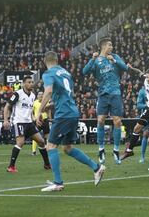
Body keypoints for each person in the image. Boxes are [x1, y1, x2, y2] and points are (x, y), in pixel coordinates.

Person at [38, 51, 105, 192]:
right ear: (57, 60)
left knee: (50, 146)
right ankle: (97, 167)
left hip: (63, 114)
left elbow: (48, 91)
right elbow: (64, 95)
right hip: (73, 112)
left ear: (46, 61)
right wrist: (51, 105)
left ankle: (58, 182)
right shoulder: (65, 73)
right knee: (67, 148)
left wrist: (40, 110)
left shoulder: (48, 74)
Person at [83, 38, 128, 165]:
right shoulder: (96, 60)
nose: (112, 47)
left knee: (117, 121)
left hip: (115, 93)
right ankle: (101, 149)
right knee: (100, 120)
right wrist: (92, 59)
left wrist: (114, 61)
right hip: (103, 94)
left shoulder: (115, 57)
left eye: (112, 45)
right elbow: (84, 72)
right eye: (110, 45)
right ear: (103, 47)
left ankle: (116, 150)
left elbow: (125, 68)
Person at [4, 76, 51, 173]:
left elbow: (30, 111)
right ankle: (11, 166)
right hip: (19, 121)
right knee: (20, 143)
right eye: (29, 82)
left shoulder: (33, 96)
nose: (31, 84)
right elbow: (7, 106)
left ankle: (47, 164)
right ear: (24, 84)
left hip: (29, 122)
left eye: (32, 82)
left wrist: (35, 119)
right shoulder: (18, 94)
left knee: (41, 141)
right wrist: (6, 120)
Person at [136, 86, 149, 163]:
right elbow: (139, 105)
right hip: (147, 115)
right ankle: (142, 156)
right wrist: (146, 106)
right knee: (145, 134)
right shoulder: (142, 91)